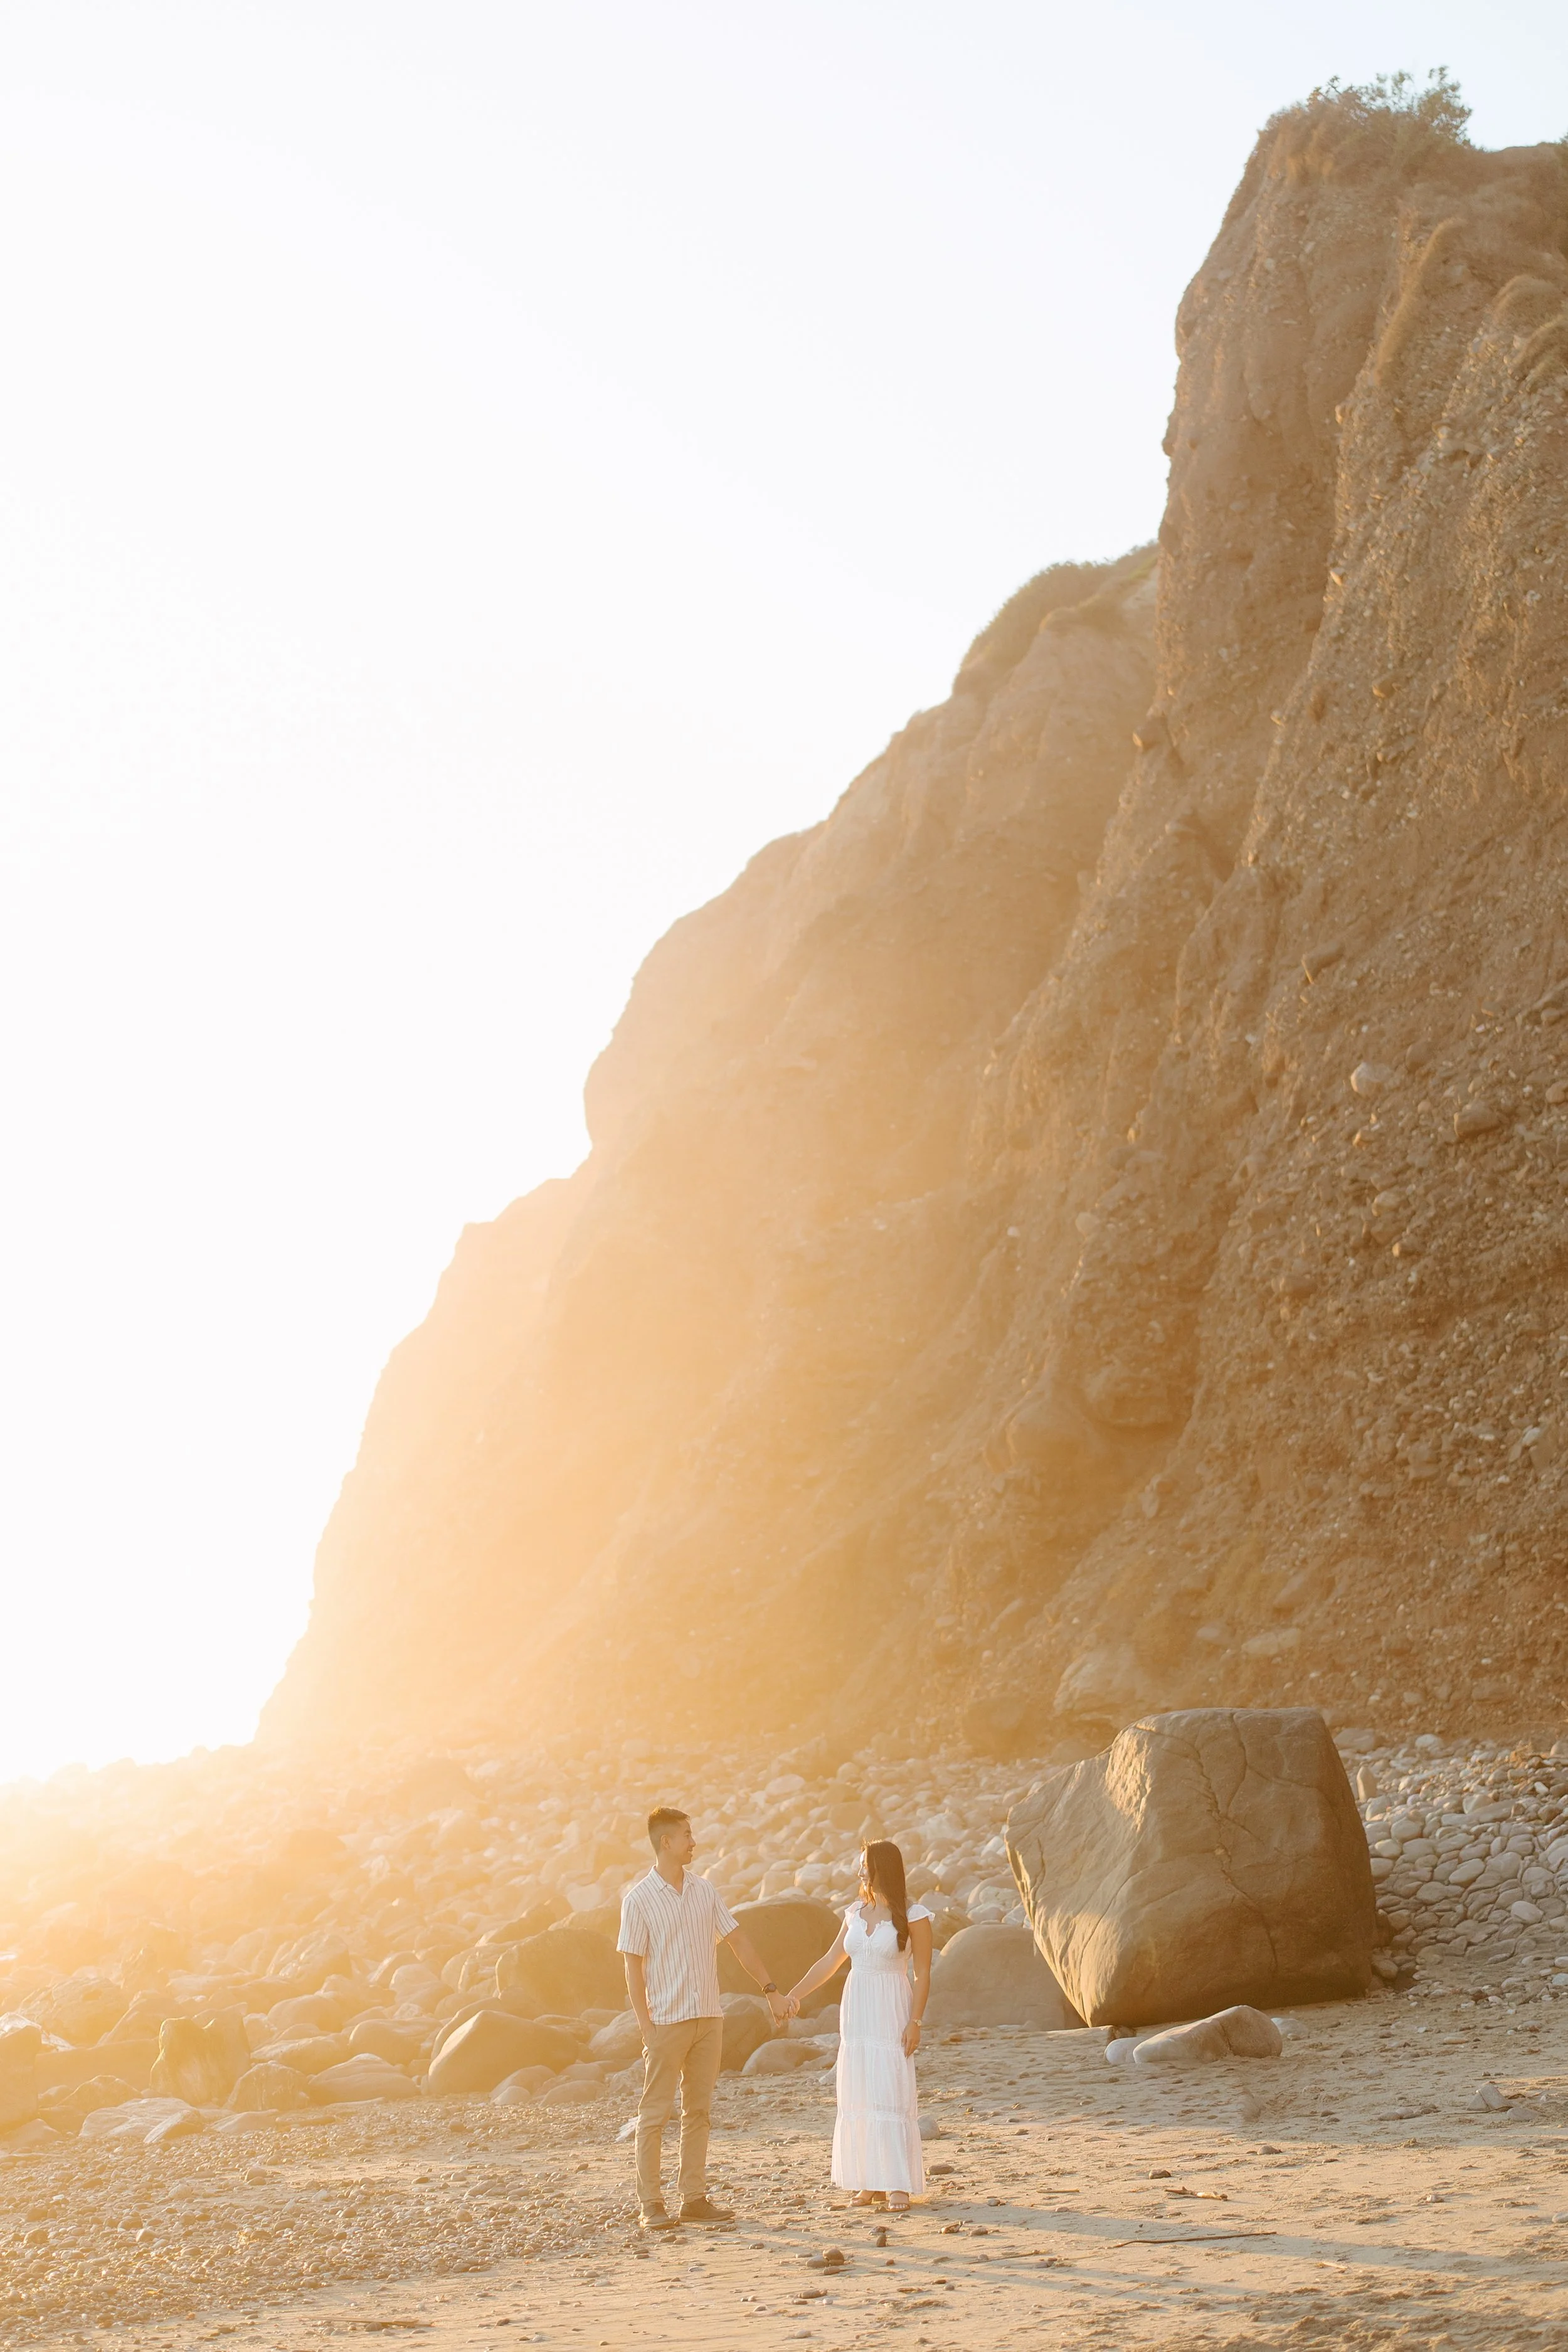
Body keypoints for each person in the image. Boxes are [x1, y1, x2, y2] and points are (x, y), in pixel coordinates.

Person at [618, 1804, 789, 2231]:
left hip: (709, 2018)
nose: (694, 1842)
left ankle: (693, 2198)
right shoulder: (638, 1900)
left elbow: (738, 1940)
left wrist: (770, 1989)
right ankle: (651, 2204)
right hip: (666, 2021)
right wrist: (646, 2025)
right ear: (666, 1842)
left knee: (699, 2112)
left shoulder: (705, 1891)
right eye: (687, 1835)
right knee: (654, 2114)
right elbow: (631, 1966)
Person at [783, 1838, 933, 2211]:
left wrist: (916, 2021)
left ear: (882, 1867)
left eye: (865, 1863)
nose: (859, 1869)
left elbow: (924, 1974)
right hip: (857, 2011)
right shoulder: (854, 1912)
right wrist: (793, 1996)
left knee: (891, 2090)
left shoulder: (913, 1915)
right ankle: (868, 2182)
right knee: (862, 2091)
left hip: (892, 2008)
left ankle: (897, 2183)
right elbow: (830, 1961)